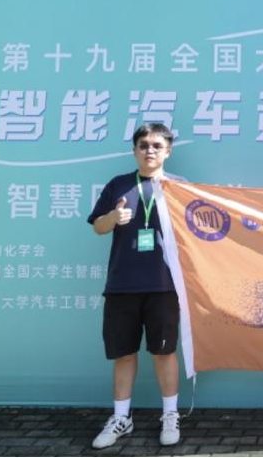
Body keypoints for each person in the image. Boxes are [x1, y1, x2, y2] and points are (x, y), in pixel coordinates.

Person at [87, 123, 181, 449]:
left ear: (168, 151)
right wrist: (113, 218)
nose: (149, 150)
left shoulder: (179, 188)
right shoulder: (119, 185)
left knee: (164, 352)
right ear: (134, 150)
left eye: (156, 145)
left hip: (165, 285)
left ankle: (170, 415)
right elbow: (98, 227)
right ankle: (121, 418)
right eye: (143, 145)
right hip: (122, 285)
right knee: (124, 354)